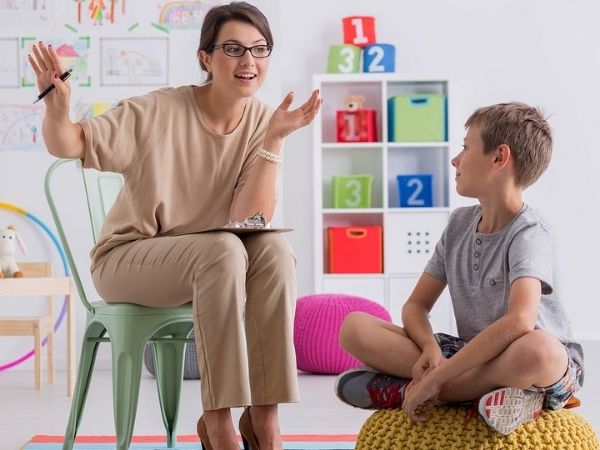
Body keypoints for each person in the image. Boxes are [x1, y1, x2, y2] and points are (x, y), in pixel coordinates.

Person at [28, 2, 321, 449]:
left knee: (275, 251)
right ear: (205, 58)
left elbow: (249, 218)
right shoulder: (158, 111)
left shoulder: (264, 119)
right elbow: (69, 143)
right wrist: (57, 108)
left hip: (211, 262)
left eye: (260, 50)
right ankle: (218, 421)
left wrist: (274, 139)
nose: (249, 61)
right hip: (129, 259)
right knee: (222, 250)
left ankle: (264, 420)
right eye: (233, 48)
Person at [334, 102, 584, 435]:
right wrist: (429, 349)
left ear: (499, 158)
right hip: (472, 355)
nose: (455, 159)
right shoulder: (459, 224)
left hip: (539, 361)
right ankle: (490, 394)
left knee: (540, 351)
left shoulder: (530, 232)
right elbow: (415, 306)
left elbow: (521, 322)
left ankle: (419, 390)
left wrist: (435, 378)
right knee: (354, 327)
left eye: (465, 148)